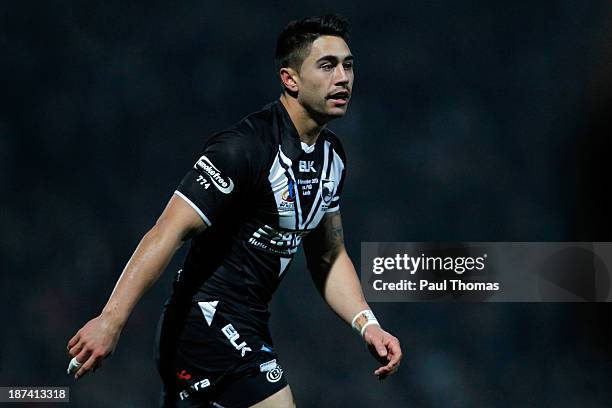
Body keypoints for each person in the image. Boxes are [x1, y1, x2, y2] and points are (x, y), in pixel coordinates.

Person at [66, 14, 402, 407]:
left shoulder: (332, 159)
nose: (343, 77)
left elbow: (328, 256)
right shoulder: (243, 148)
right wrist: (111, 320)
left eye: (348, 65)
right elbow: (166, 233)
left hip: (250, 324)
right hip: (204, 321)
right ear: (289, 79)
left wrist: (368, 326)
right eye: (327, 66)